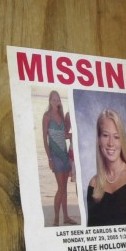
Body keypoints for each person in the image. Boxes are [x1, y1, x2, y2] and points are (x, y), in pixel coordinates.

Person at [42, 90, 76, 226]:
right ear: (50, 101)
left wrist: (73, 136)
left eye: (58, 99)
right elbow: (45, 139)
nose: (56, 101)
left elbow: (64, 135)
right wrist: (49, 158)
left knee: (65, 188)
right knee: (61, 188)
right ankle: (56, 218)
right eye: (54, 99)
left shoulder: (62, 116)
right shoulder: (46, 116)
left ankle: (66, 217)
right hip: (55, 155)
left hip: (64, 154)